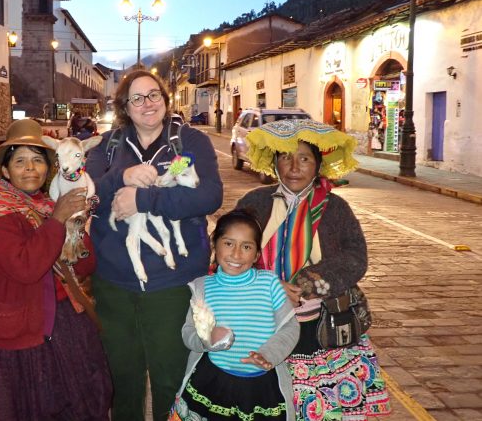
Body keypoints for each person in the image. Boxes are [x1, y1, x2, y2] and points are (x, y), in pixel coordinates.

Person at [0, 118, 112, 420]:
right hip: (14, 339)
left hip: (62, 326)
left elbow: (86, 264)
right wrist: (58, 221)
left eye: (38, 160)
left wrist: (76, 225)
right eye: (20, 161)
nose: (30, 168)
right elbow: (26, 267)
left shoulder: (47, 206)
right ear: (4, 170)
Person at [86, 70, 223, 420]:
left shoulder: (188, 143)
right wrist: (122, 177)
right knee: (123, 381)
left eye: (154, 95)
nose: (147, 104)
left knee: (170, 380)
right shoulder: (109, 146)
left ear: (164, 99)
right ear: (125, 108)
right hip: (114, 286)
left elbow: (208, 196)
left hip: (173, 286)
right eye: (137, 98)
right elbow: (87, 195)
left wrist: (144, 200)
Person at [235, 119, 392, 420]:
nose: (294, 167)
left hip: (321, 331)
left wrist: (303, 284)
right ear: (275, 163)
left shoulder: (335, 209)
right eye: (285, 157)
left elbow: (355, 257)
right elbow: (228, 252)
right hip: (261, 323)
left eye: (304, 158)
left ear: (318, 165)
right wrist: (266, 285)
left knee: (320, 409)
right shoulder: (254, 203)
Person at [169, 208, 299, 421]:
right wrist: (207, 339)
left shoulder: (269, 284)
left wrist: (268, 354)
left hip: (262, 387)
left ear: (257, 254)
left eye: (246, 247)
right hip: (213, 381)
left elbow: (290, 328)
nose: (236, 254)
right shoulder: (202, 288)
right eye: (228, 243)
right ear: (215, 244)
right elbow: (188, 332)